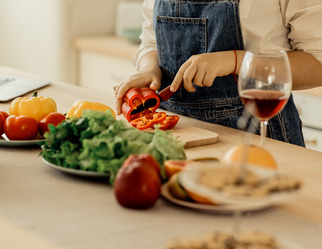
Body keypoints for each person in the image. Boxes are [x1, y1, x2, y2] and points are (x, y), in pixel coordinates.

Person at [114, 0, 322, 146]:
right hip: (174, 137)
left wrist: (235, 60)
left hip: (258, 138)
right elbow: (150, 39)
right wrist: (149, 68)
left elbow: (317, 62)